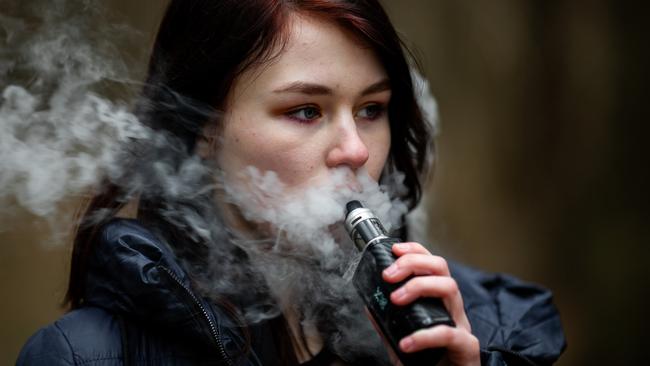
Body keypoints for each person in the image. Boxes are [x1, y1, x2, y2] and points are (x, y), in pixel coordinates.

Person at [16, 1, 566, 365]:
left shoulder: (485, 330)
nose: (354, 149)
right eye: (305, 111)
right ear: (204, 128)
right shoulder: (86, 356)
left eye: (372, 108)